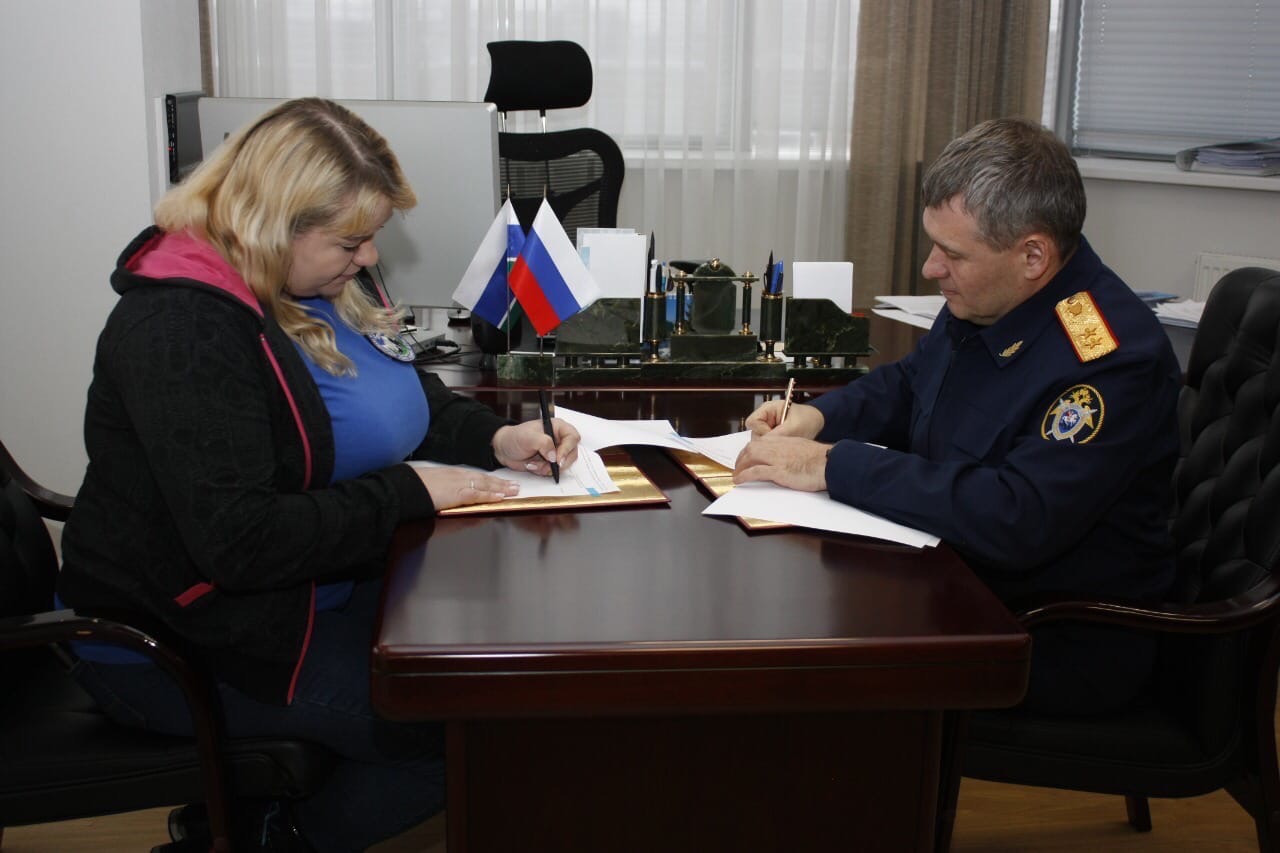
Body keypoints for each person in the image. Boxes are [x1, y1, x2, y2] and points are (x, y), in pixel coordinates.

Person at [56, 97, 580, 852]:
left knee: (493, 658)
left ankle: (249, 819)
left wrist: (495, 437)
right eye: (352, 241)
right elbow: (240, 542)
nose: (369, 258)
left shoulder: (310, 282)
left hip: (302, 592)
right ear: (274, 224)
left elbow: (403, 394)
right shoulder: (181, 330)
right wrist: (405, 493)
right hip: (185, 638)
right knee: (464, 728)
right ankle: (280, 838)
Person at [734, 117, 1182, 715]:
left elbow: (1017, 516)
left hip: (1046, 635)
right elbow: (913, 381)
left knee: (808, 672)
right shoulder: (992, 296)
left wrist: (832, 465)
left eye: (952, 253)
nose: (930, 268)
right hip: (953, 577)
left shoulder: (1106, 358)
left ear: (1032, 255)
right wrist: (817, 419)